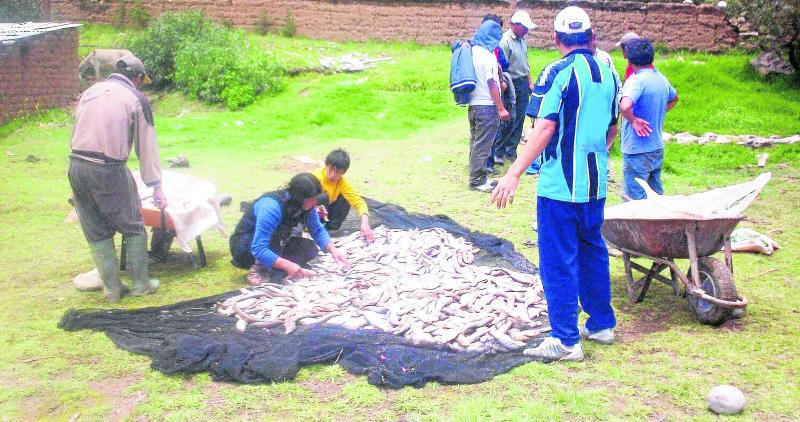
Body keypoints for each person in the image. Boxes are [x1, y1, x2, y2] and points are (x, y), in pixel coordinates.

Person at [491, 6, 620, 362]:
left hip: (560, 187)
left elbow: (544, 127)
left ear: (558, 39)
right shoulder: (610, 75)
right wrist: (593, 153)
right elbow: (612, 128)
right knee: (593, 250)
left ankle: (565, 339)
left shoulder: (557, 72)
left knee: (558, 258)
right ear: (592, 38)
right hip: (595, 186)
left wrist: (514, 171)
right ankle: (601, 324)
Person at [68, 53, 164, 302]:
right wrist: (155, 186)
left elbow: (78, 128)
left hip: (76, 166)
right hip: (108, 168)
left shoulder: (91, 91)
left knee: (96, 230)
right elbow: (147, 146)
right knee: (133, 227)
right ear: (138, 78)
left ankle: (112, 289)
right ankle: (141, 285)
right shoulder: (136, 98)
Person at [230, 173, 351, 285]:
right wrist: (288, 265)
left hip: (276, 243)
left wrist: (333, 250)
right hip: (245, 247)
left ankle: (275, 266)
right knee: (278, 239)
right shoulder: (272, 206)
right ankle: (257, 269)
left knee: (309, 249)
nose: (315, 202)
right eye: (312, 198)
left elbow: (317, 230)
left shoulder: (306, 205)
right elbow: (259, 248)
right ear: (300, 197)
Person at [619, 38, 679, 201]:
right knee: (656, 197)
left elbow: (624, 106)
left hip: (637, 149)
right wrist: (658, 111)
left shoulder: (636, 80)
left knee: (634, 200)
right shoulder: (660, 78)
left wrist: (633, 120)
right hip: (656, 148)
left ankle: (638, 227)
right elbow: (674, 98)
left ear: (629, 59)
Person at [467, 19, 511, 192]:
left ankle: (477, 174)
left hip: (473, 105)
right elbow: (492, 83)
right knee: (483, 144)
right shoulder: (488, 56)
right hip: (487, 106)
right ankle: (477, 180)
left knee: (475, 142)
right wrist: (501, 108)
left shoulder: (472, 51)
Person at [494, 10, 537, 165]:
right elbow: (501, 67)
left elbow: (525, 64)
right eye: (524, 27)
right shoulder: (504, 41)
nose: (526, 30)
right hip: (510, 83)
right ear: (514, 25)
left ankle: (511, 151)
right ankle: (498, 151)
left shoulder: (522, 40)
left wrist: (530, 83)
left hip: (523, 82)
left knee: (520, 118)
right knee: (508, 118)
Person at [312, 148, 374, 242]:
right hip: (312, 211)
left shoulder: (342, 182)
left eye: (337, 172)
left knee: (345, 198)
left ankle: (331, 228)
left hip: (327, 211)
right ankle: (312, 227)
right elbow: (302, 200)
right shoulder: (315, 178)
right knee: (323, 197)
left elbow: (358, 202)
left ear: (343, 173)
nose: (332, 174)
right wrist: (314, 211)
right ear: (326, 165)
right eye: (331, 169)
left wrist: (365, 223)